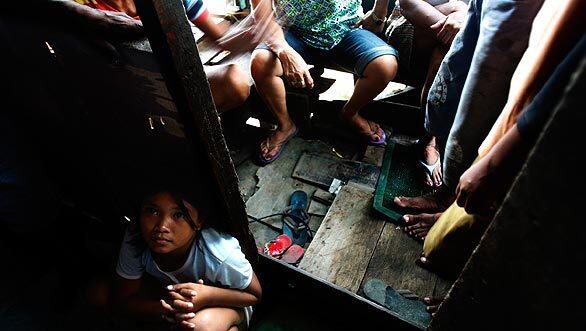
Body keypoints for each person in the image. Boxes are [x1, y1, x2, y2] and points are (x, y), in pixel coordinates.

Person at [393, 0, 546, 241]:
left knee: (483, 105)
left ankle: (454, 199)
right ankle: (443, 178)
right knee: (452, 85)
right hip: (474, 14)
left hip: (510, 21)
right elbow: (408, 4)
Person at [250, 0, 399, 164]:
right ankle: (286, 125)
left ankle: (350, 114)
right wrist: (284, 51)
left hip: (345, 29)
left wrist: (379, 11)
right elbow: (261, 14)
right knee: (260, 62)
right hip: (292, 32)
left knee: (385, 65)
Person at [59, 0, 251, 112]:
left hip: (174, 79)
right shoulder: (81, 7)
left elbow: (220, 35)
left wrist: (255, 33)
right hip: (126, 94)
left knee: (234, 82)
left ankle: (197, 125)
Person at [115, 189, 261, 330]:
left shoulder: (219, 254)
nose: (161, 226)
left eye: (178, 214)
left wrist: (207, 296)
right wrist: (167, 308)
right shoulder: (136, 236)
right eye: (152, 211)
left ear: (199, 221)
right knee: (99, 294)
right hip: (172, 298)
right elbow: (125, 299)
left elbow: (254, 295)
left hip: (232, 303)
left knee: (198, 326)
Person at [385, 0, 468, 187]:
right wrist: (462, 32)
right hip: (408, 30)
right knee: (455, 43)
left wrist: (461, 14)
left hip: (450, 37)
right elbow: (409, 5)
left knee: (444, 50)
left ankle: (429, 136)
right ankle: (431, 140)